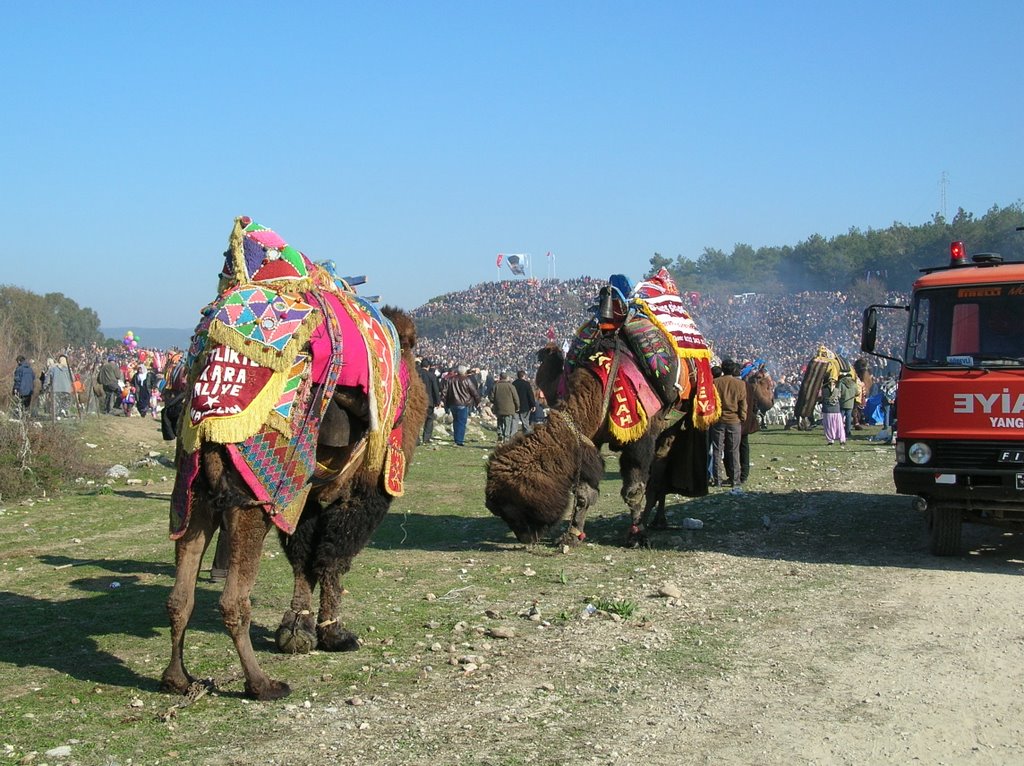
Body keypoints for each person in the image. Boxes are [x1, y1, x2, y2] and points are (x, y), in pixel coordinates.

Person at [711, 359, 747, 492]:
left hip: (718, 420)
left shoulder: (715, 382)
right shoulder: (740, 384)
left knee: (717, 450)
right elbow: (743, 404)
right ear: (733, 370)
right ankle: (735, 480)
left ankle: (717, 479)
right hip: (734, 420)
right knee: (734, 451)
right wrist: (742, 417)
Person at [441, 364, 481, 446]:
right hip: (463, 404)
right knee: (462, 422)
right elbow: (474, 392)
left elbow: (444, 391)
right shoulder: (467, 380)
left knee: (456, 421)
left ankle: (456, 438)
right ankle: (459, 440)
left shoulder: (450, 380)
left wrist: (443, 402)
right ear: (465, 371)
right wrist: (478, 402)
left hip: (452, 403)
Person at [490, 371, 520, 443]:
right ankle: (506, 437)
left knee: (499, 421)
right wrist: (517, 406)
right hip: (509, 408)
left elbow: (491, 397)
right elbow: (516, 398)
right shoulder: (511, 386)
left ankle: (500, 433)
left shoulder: (495, 386)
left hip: (498, 408)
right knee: (507, 423)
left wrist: (495, 402)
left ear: (500, 377)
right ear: (506, 378)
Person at [418, 359, 441, 444]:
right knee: (429, 419)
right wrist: (438, 402)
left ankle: (416, 438)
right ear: (428, 366)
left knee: (418, 420)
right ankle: (426, 438)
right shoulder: (431, 376)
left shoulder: (416, 374)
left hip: (418, 401)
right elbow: (435, 390)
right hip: (429, 401)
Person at [821, 376, 845, 446]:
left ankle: (830, 440)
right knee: (839, 426)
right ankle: (842, 439)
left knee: (828, 426)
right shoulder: (837, 390)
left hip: (827, 411)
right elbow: (840, 397)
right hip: (836, 410)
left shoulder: (824, 390)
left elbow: (821, 398)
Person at [512, 369, 536, 436]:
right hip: (525, 406)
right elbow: (530, 395)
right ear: (524, 376)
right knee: (525, 422)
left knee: (514, 423)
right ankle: (526, 436)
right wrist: (533, 405)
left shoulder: (513, 384)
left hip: (515, 406)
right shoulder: (526, 384)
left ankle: (512, 438)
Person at [838, 372, 859, 440]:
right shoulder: (854, 384)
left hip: (842, 402)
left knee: (840, 418)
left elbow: (838, 392)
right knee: (848, 418)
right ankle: (848, 431)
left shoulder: (841, 383)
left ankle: (839, 431)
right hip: (850, 403)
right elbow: (857, 393)